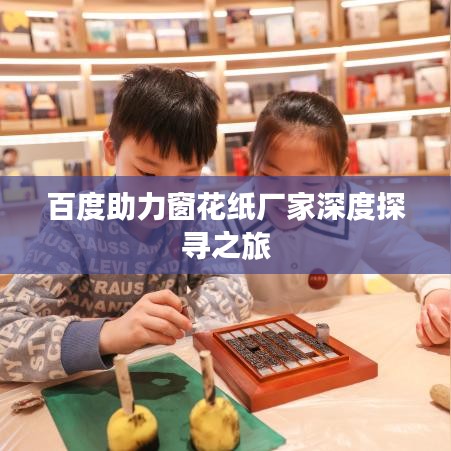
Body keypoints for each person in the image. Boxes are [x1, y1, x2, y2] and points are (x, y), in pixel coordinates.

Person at [0, 66, 252, 382]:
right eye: (148, 174)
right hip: (87, 387)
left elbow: (234, 288)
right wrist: (109, 333)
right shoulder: (73, 224)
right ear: (111, 149)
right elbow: (5, 330)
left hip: (167, 376)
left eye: (187, 178)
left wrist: (171, 317)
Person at [244, 91, 449, 348]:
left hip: (330, 345)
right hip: (252, 347)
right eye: (270, 177)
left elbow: (420, 258)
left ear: (340, 174)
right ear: (251, 160)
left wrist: (440, 293)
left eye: (310, 182)